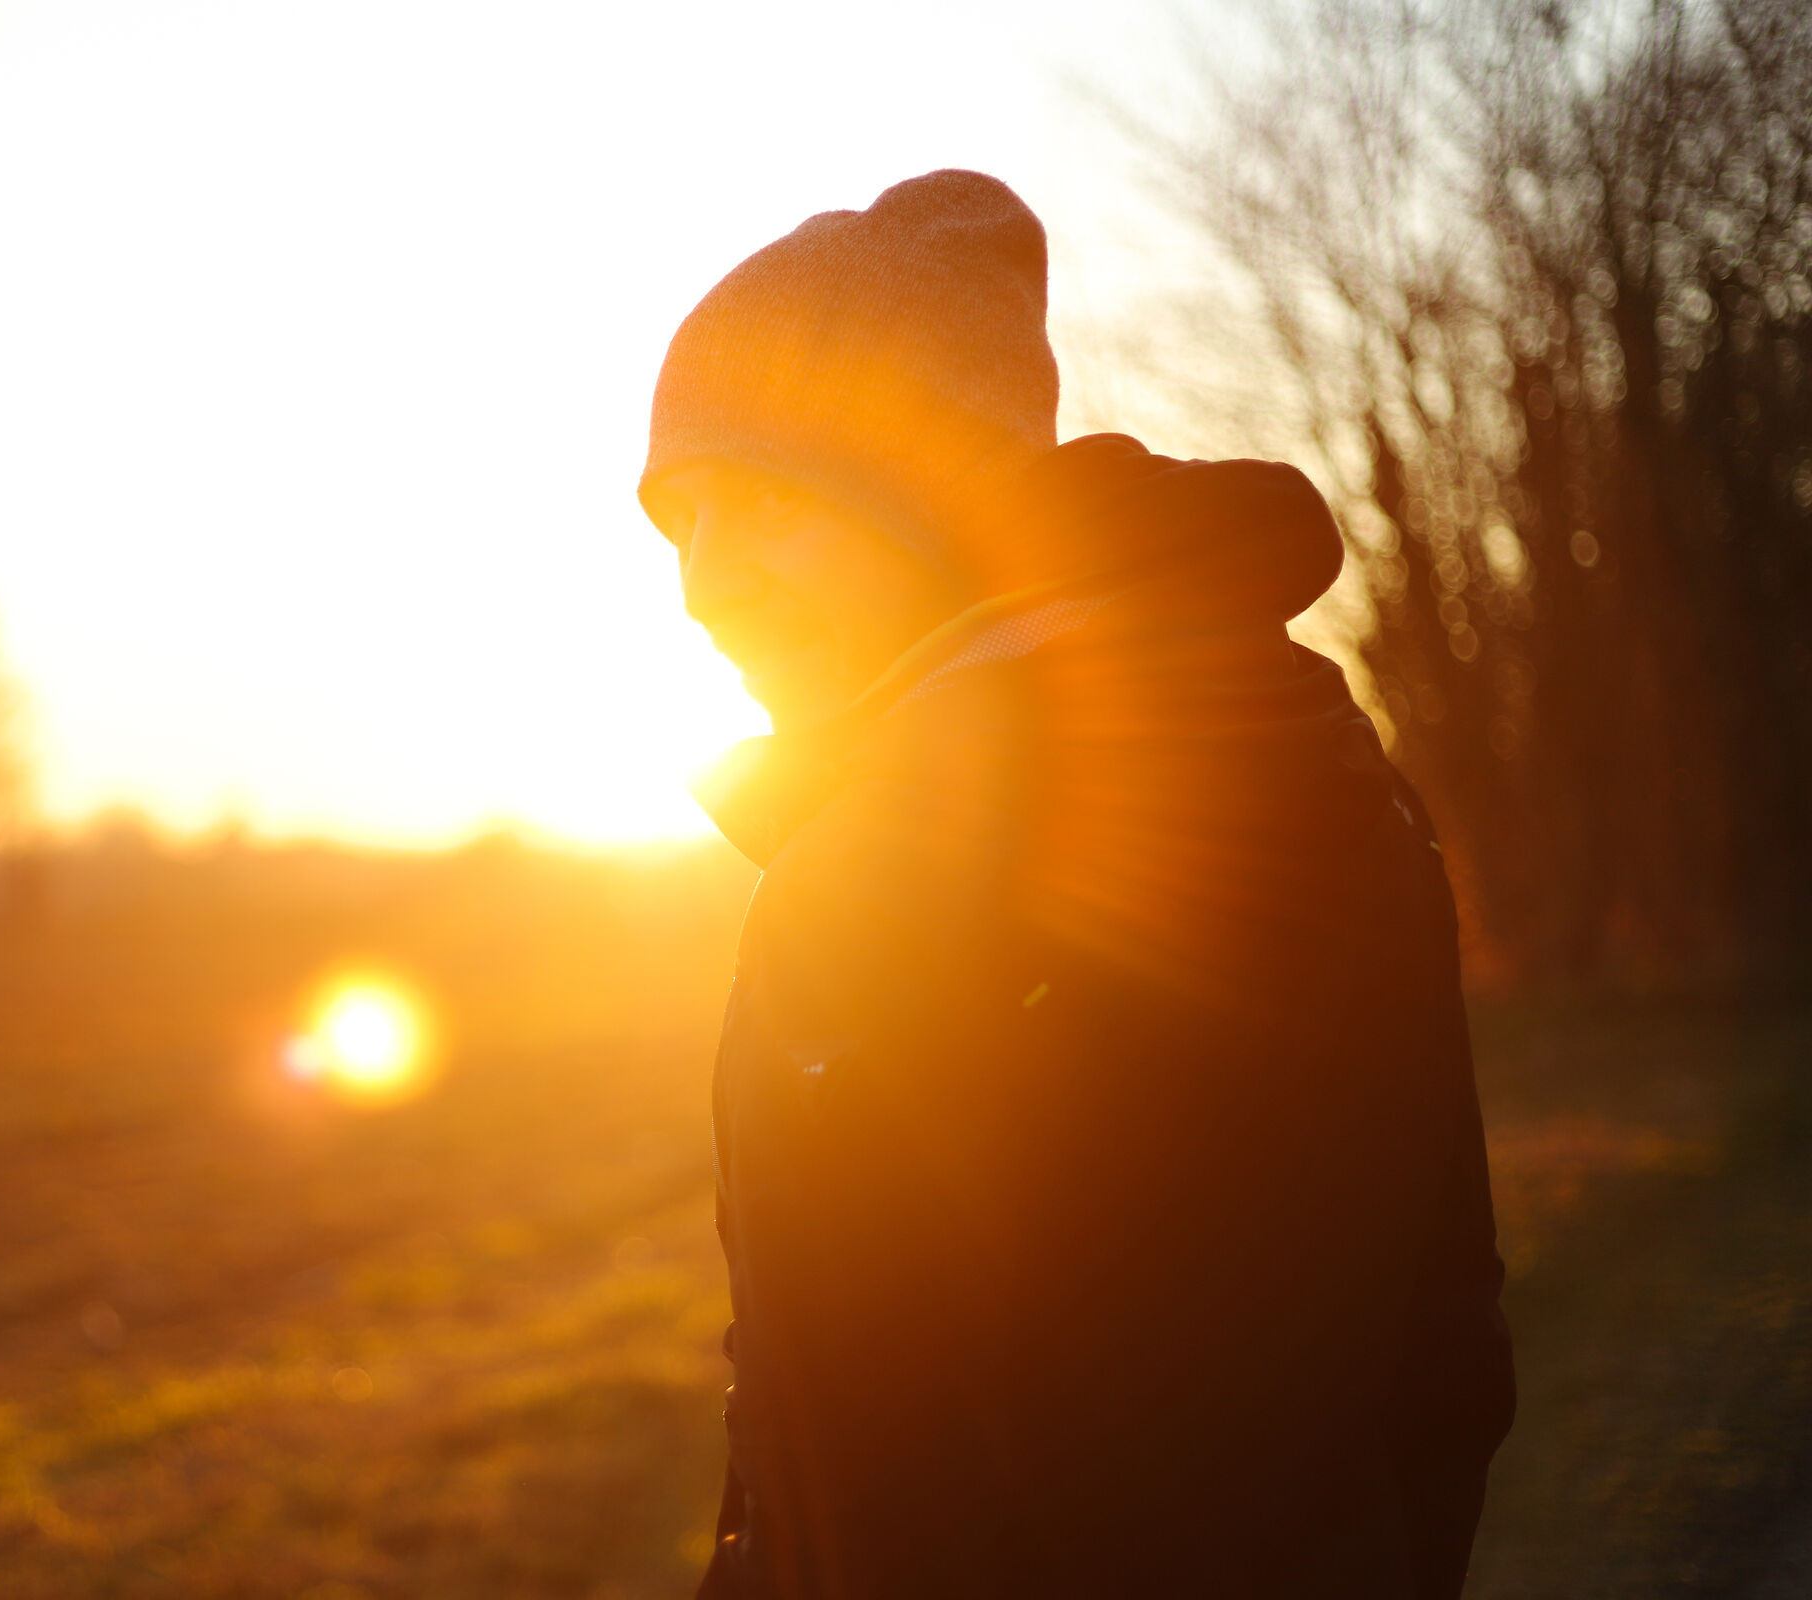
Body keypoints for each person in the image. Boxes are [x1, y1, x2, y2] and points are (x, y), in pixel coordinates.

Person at [636, 169, 1516, 1599]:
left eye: (767, 501)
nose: (701, 583)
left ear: (939, 494)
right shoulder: (1310, 763)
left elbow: (890, 1499)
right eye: (681, 522)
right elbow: (1442, 1367)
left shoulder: (954, 862)